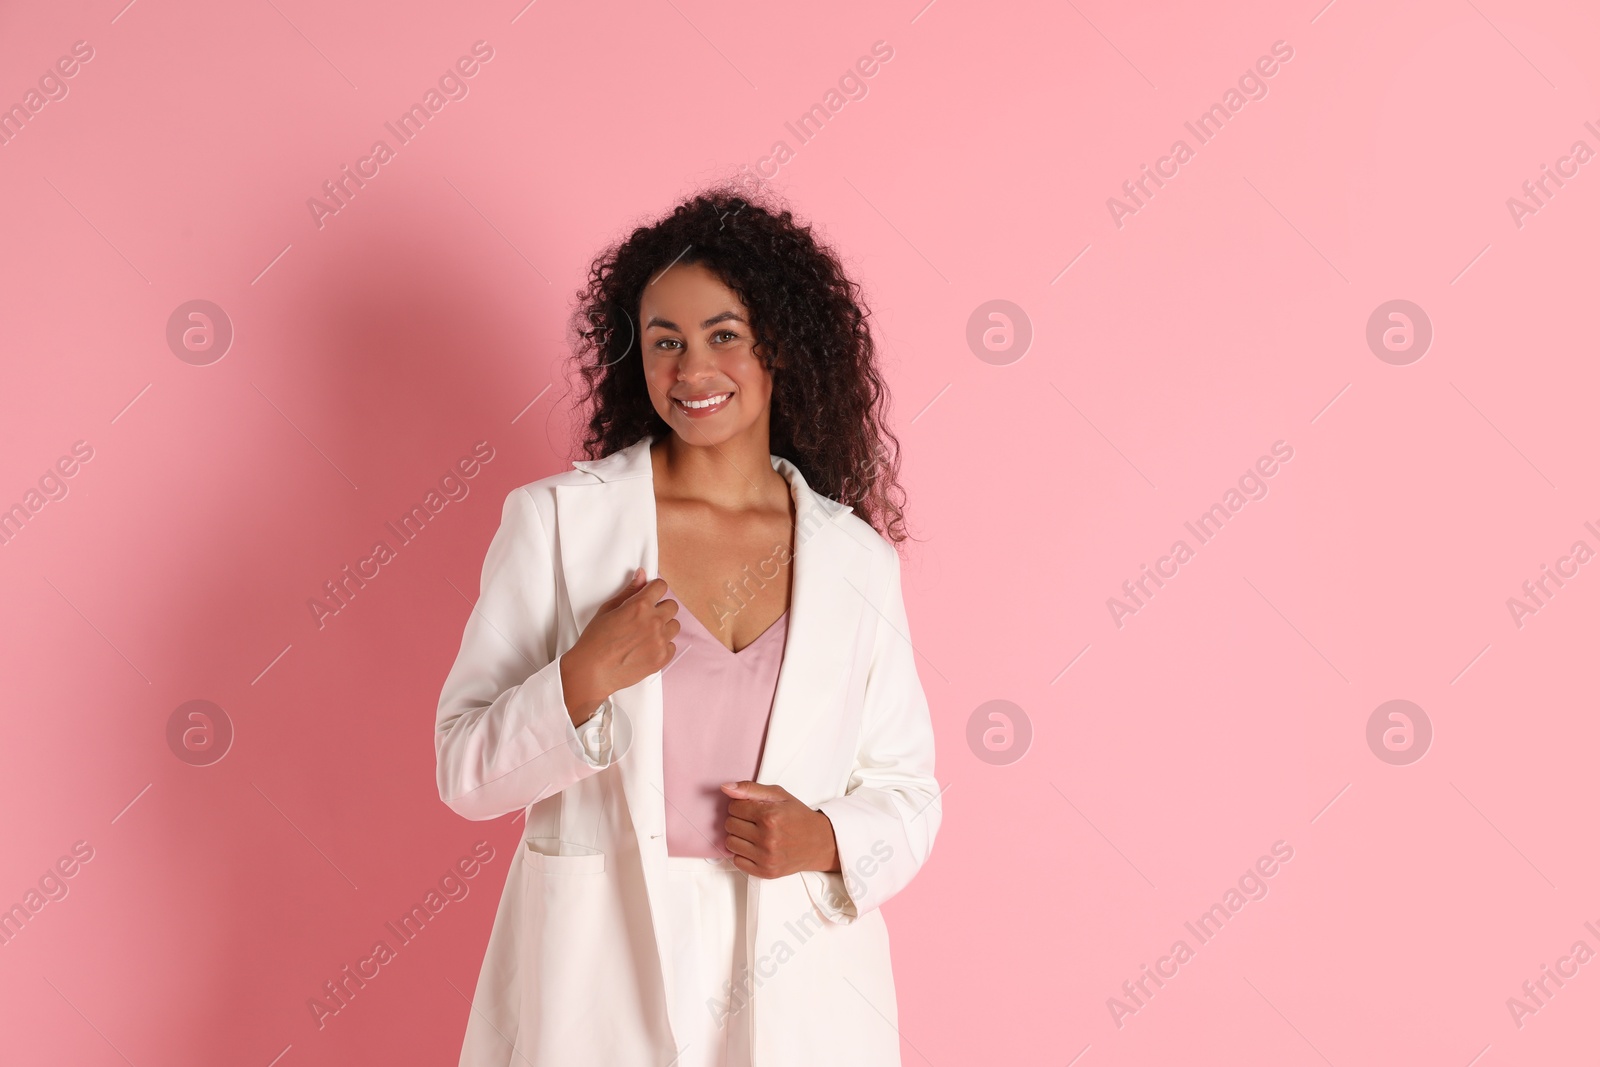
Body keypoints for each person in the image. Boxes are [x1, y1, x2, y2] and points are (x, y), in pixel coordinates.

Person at [434, 185, 941, 1067]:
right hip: (601, 978)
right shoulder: (557, 524)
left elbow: (909, 791)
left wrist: (825, 838)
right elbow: (464, 768)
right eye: (664, 341)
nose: (691, 369)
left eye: (723, 335)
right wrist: (582, 676)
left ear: (780, 344)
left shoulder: (857, 561)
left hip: (796, 984)